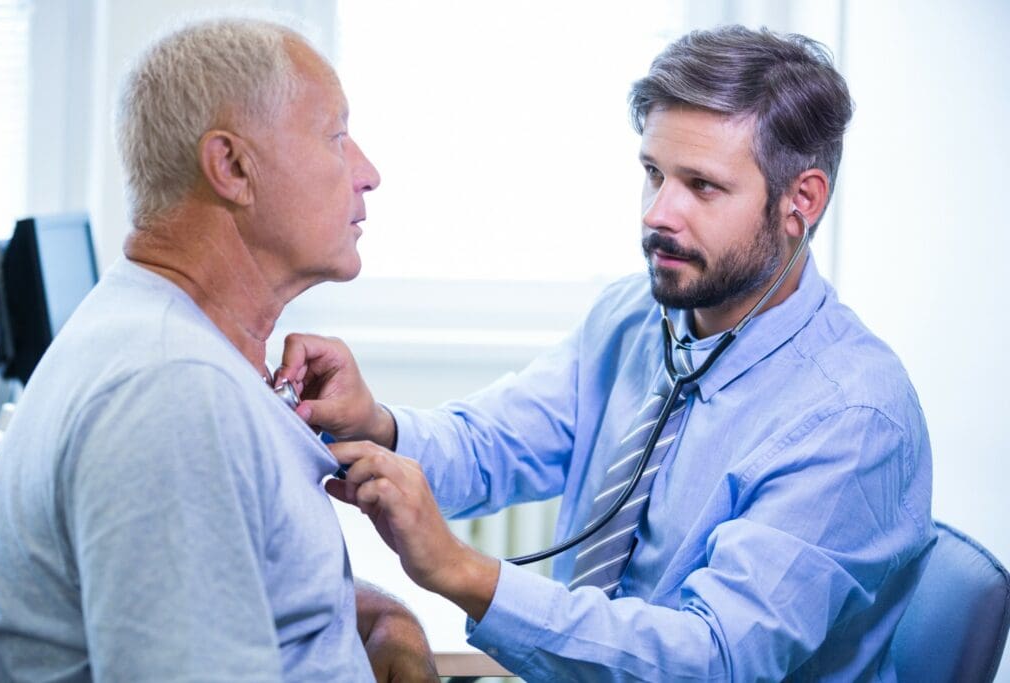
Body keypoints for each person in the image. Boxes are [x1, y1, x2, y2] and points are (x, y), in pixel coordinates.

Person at [278, 26, 935, 681]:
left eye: (702, 186)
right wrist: (376, 424)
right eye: (654, 174)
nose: (658, 214)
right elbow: (497, 443)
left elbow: (713, 660)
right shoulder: (640, 314)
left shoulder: (852, 418)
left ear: (802, 201)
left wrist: (461, 570)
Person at [0, 17, 437, 682]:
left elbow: (245, 587)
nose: (368, 174)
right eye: (336, 137)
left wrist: (383, 617)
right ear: (231, 167)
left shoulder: (174, 344)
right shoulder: (171, 392)